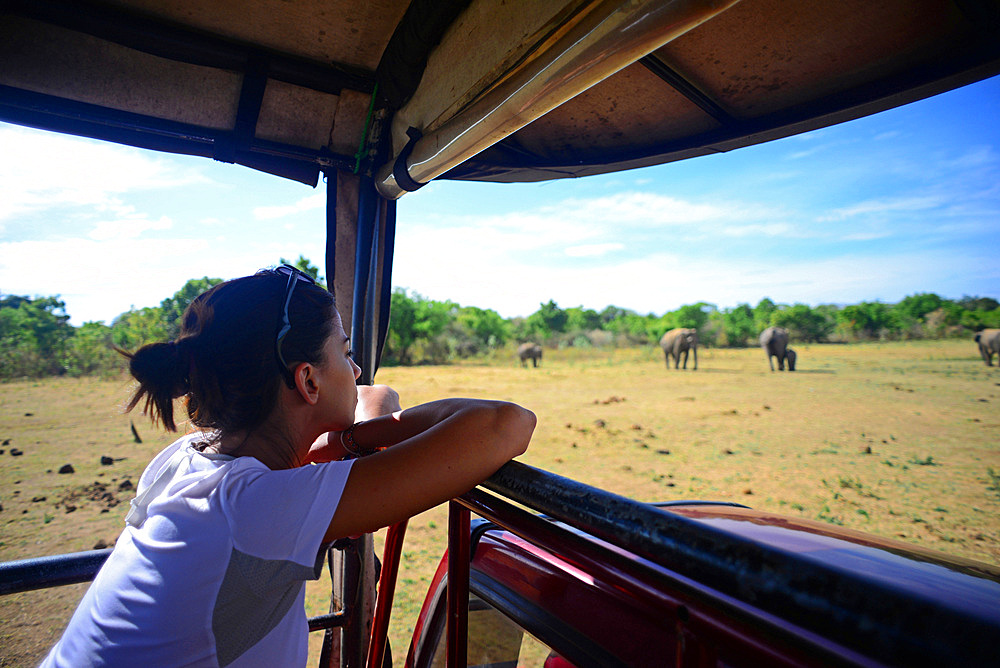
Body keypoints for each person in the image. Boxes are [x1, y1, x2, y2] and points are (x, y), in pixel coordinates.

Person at [40, 265, 535, 667]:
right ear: (307, 382)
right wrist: (352, 437)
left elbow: (374, 394)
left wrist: (349, 434)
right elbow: (506, 424)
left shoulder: (186, 459)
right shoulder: (257, 506)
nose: (356, 367)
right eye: (345, 351)